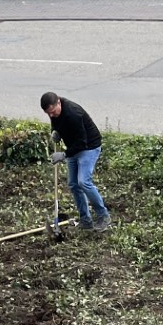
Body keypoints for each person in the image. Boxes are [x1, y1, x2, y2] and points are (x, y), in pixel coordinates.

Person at [41, 91, 109, 232]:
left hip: (89, 147)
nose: (52, 115)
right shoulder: (54, 112)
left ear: (58, 102)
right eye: (49, 114)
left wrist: (64, 154)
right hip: (73, 147)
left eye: (53, 112)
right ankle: (85, 220)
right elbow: (56, 123)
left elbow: (82, 142)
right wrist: (56, 132)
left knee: (83, 181)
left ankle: (104, 216)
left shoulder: (73, 113)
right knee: (73, 184)